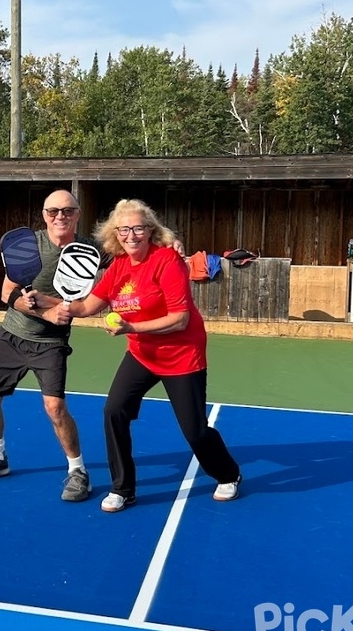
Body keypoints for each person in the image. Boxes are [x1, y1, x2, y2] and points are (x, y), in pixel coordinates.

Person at [55, 198, 242, 512]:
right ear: (115, 233)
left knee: (194, 431)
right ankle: (122, 488)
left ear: (150, 230)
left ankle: (228, 473)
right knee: (114, 412)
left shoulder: (167, 261)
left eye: (138, 228)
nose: (131, 235)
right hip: (143, 355)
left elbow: (179, 318)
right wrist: (63, 306)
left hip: (182, 355)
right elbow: (88, 306)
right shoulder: (119, 266)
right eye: (124, 229)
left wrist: (131, 327)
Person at [0, 189, 96, 502]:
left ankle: (78, 471)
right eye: (53, 211)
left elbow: (133, 247)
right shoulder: (28, 245)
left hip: (50, 343)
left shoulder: (90, 249)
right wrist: (39, 308)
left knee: (55, 408)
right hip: (11, 335)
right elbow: (6, 293)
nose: (60, 216)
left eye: (67, 210)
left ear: (78, 214)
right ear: (44, 215)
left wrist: (170, 243)